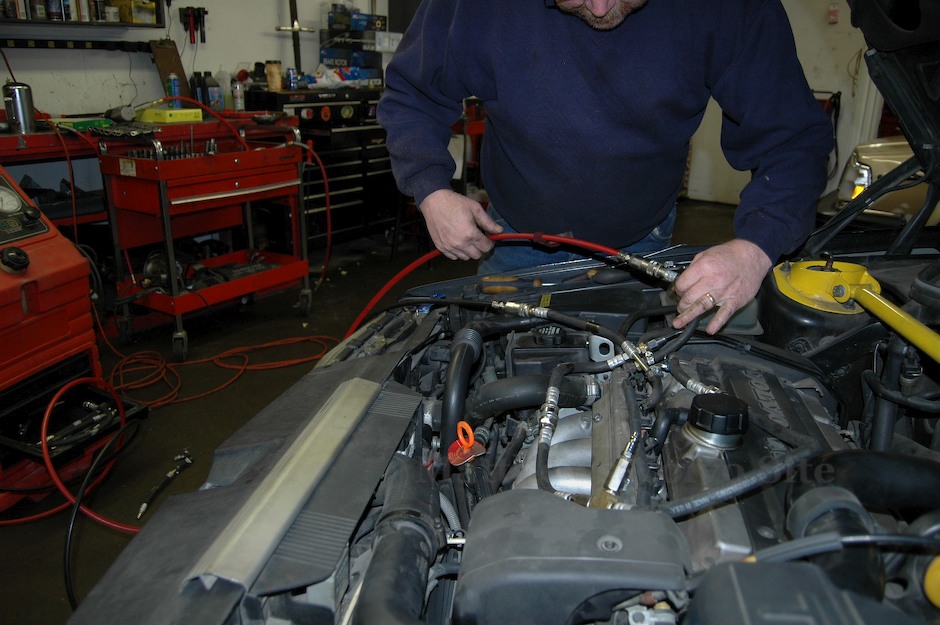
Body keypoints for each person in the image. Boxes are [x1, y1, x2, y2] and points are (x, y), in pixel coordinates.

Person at [377, 0, 833, 334]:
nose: (598, 8)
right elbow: (412, 93)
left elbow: (791, 136)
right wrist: (430, 189)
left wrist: (756, 248)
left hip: (641, 244)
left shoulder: (726, 9)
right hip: (515, 237)